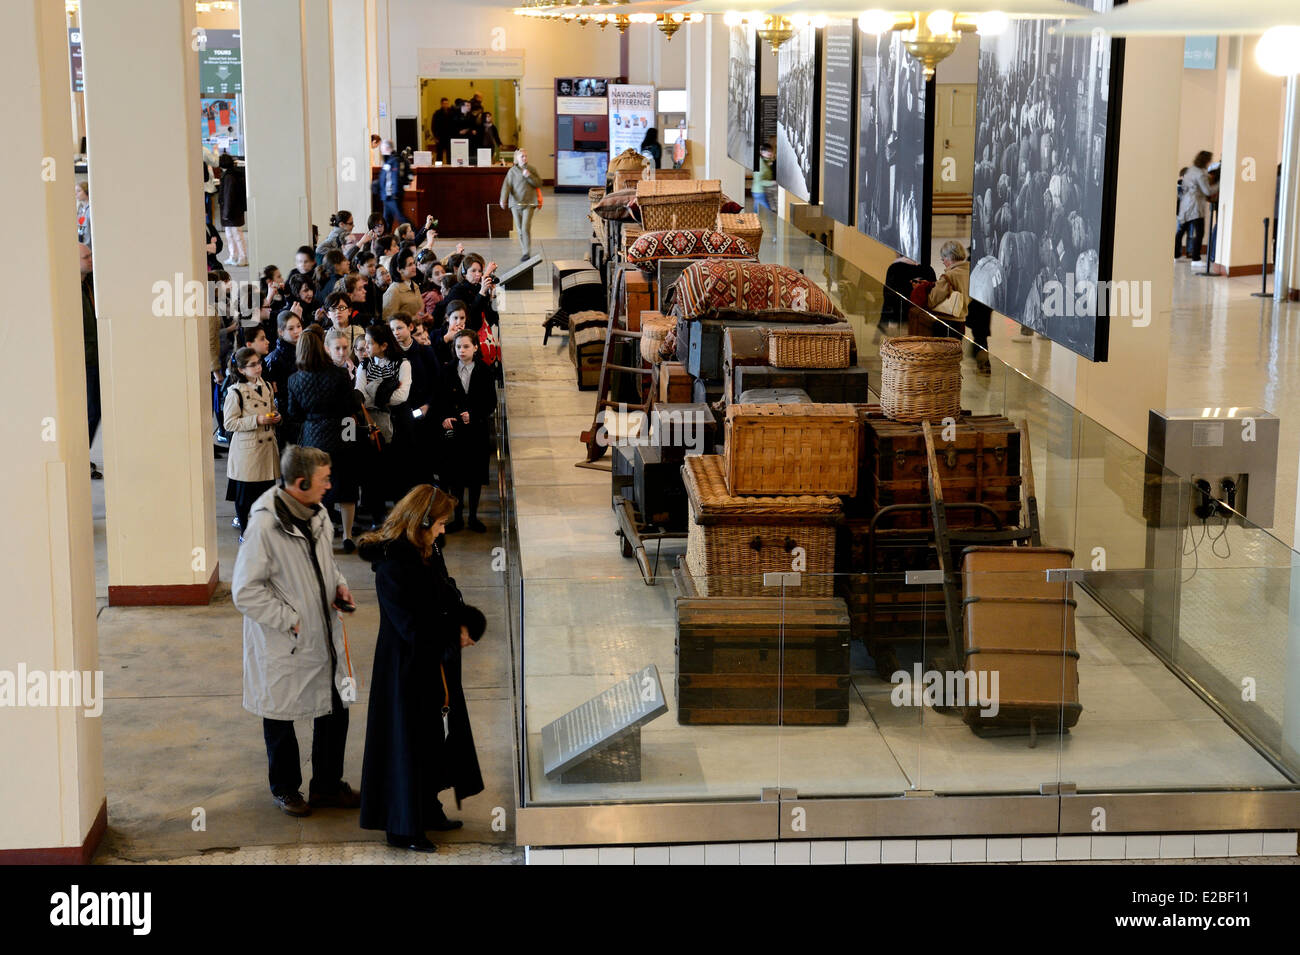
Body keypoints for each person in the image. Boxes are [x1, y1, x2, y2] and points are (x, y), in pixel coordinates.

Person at [231, 444, 359, 817]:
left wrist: (339, 586)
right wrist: (290, 619)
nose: (329, 485)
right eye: (324, 480)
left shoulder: (318, 513)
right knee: (280, 714)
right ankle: (286, 789)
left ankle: (327, 787)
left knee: (335, 708)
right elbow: (245, 591)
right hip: (285, 642)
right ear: (300, 482)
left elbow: (325, 564)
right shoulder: (264, 524)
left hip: (322, 635)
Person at [357, 484, 485, 851]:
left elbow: (445, 592)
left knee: (432, 740)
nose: (445, 529)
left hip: (430, 661)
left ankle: (427, 809)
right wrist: (451, 633)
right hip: (405, 668)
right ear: (421, 522)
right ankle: (403, 827)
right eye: (441, 523)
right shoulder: (393, 564)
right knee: (406, 744)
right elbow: (409, 625)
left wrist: (462, 621)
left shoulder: (427, 549)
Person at [287, 328, 364, 551]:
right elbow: (352, 405)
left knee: (318, 489)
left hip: (313, 437)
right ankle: (348, 536)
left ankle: (321, 535)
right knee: (346, 486)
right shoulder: (338, 374)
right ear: (323, 348)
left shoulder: (294, 380)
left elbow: (294, 414)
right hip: (342, 433)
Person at [438, 330, 495, 533]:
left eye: (466, 346)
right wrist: (444, 416)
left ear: (475, 347)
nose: (461, 350)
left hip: (476, 430)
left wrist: (474, 414)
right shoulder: (447, 370)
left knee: (475, 476)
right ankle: (458, 517)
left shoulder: (485, 370)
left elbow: (491, 403)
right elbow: (440, 399)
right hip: (455, 430)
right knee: (456, 477)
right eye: (458, 347)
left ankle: (473, 517)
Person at [223, 347, 281, 539]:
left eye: (259, 363)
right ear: (241, 370)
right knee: (245, 496)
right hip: (248, 451)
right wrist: (257, 420)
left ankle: (263, 529)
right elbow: (229, 423)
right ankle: (245, 531)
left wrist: (276, 416)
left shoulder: (265, 385)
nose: (258, 367)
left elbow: (271, 407)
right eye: (252, 365)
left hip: (265, 447)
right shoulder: (235, 392)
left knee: (266, 493)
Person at [80, 243, 103, 480]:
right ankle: (80, 458)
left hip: (96, 356)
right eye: (86, 257)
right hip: (85, 361)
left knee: (95, 412)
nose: (91, 259)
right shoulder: (72, 290)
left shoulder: (90, 284)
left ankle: (82, 456)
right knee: (91, 411)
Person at [499, 149, 542, 261]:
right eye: (522, 156)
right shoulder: (512, 171)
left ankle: (526, 252)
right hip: (515, 203)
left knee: (525, 228)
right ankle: (524, 251)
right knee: (519, 229)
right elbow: (506, 186)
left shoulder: (531, 169)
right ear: (517, 159)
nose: (524, 158)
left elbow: (538, 183)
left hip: (530, 203)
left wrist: (529, 176)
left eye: (526, 156)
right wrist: (503, 199)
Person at [446, 253, 499, 333]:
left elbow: (492, 317)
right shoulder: (457, 290)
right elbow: (470, 317)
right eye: (473, 271)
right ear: (464, 273)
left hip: (482, 333)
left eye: (480, 271)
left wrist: (492, 295)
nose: (478, 274)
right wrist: (482, 292)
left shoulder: (478, 287)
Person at [1179, 150, 1216, 263]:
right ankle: (1196, 258)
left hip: (1185, 204)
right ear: (1206, 160)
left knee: (1182, 230)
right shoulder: (1200, 173)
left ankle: (1175, 254)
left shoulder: (1190, 170)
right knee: (1199, 232)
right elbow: (1208, 191)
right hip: (1195, 206)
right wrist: (1219, 185)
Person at [217, 153, 248, 267]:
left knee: (236, 235)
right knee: (231, 235)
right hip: (233, 210)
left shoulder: (229, 176)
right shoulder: (231, 174)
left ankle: (242, 257)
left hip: (231, 211)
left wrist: (226, 213)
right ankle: (233, 256)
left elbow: (228, 195)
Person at [383, 247, 426, 320]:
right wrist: (414, 319)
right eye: (410, 265)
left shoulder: (414, 286)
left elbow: (420, 311)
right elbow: (389, 321)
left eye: (413, 263)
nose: (414, 267)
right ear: (399, 270)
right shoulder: (393, 291)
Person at [378, 139, 411, 230]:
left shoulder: (394, 160)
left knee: (401, 218)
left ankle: (415, 235)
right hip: (388, 196)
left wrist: (395, 193)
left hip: (392, 195)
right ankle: (384, 238)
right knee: (387, 219)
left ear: (386, 148)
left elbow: (395, 177)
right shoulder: (390, 160)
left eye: (382, 148)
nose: (381, 150)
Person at [752, 142, 775, 222]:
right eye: (767, 151)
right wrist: (772, 183)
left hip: (759, 191)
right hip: (759, 191)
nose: (769, 153)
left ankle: (754, 225)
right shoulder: (760, 163)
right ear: (761, 152)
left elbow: (771, 160)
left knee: (756, 212)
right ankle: (773, 230)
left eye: (771, 151)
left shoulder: (765, 161)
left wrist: (771, 159)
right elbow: (759, 181)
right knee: (769, 212)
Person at [75, 181, 92, 248]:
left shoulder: (92, 209)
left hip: (90, 245)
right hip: (82, 243)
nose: (76, 194)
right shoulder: (80, 208)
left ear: (86, 191)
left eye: (78, 191)